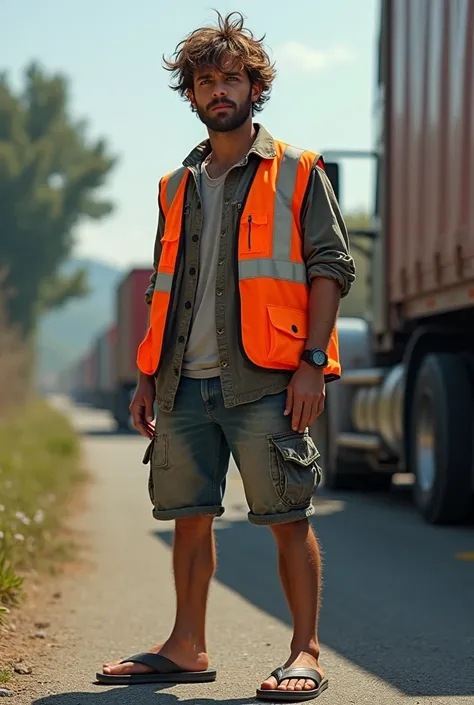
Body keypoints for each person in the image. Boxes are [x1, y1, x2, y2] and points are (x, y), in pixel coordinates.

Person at [98, 11, 355, 702]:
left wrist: (312, 362)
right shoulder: (174, 186)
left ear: (254, 87)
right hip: (183, 381)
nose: (220, 90)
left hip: (268, 377)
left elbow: (331, 266)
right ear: (191, 94)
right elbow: (164, 284)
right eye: (206, 79)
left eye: (232, 77)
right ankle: (186, 644)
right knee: (188, 514)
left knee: (286, 516)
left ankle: (304, 649)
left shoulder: (299, 171)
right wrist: (149, 374)